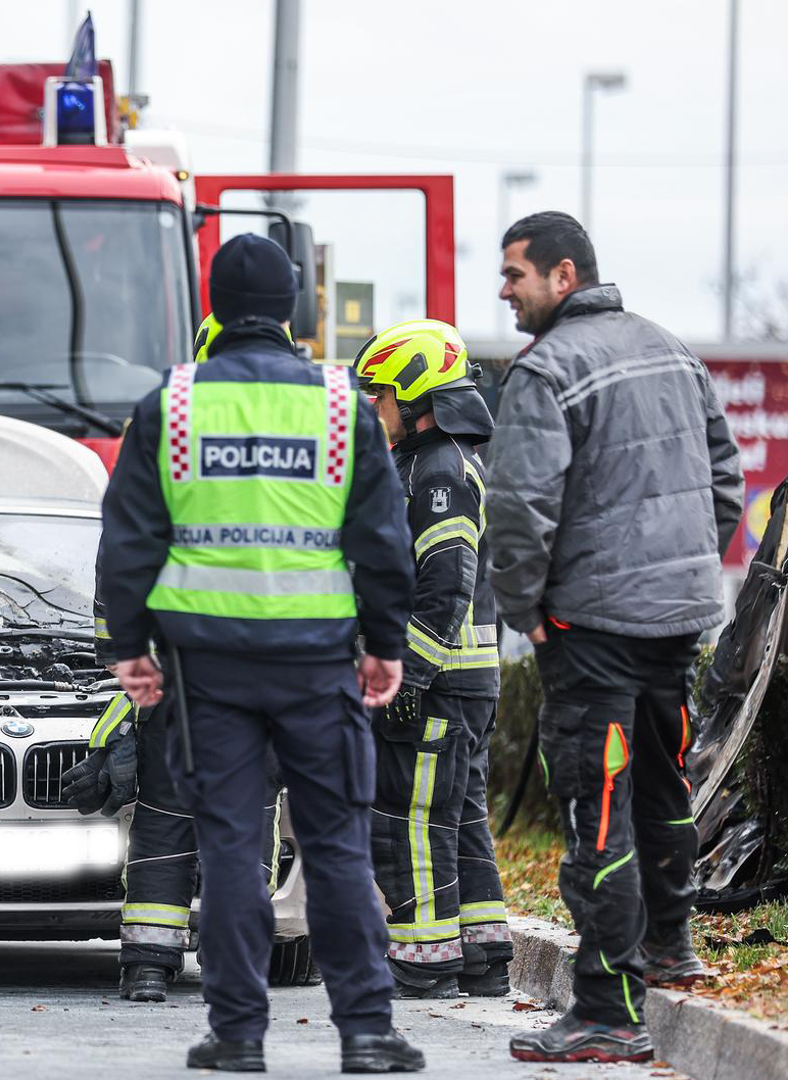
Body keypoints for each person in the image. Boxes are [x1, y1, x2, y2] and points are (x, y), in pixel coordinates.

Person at [100, 233, 424, 1073]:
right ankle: (366, 1034)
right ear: (294, 311)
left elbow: (129, 540)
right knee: (337, 850)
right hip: (317, 666)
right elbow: (384, 541)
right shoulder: (339, 405)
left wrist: (126, 648)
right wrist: (385, 645)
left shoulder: (170, 406)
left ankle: (238, 1034)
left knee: (232, 852)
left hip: (205, 671)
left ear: (211, 304)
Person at [486, 212, 743, 1063]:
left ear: (564, 276)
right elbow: (726, 483)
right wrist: (684, 568)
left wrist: (521, 604)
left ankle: (606, 1008)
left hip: (588, 624)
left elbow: (521, 507)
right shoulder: (671, 350)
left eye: (514, 274)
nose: (504, 290)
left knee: (595, 812)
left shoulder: (546, 369)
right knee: (665, 789)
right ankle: (671, 949)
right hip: (676, 620)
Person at [65, 314, 285, 1005]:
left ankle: (147, 965)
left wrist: (121, 652)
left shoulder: (159, 426)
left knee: (165, 808)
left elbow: (121, 553)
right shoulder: (296, 431)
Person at [352, 319, 511, 1000]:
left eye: (380, 396)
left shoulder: (438, 471)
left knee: (411, 819)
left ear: (417, 397)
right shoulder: (442, 460)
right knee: (461, 816)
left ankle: (424, 961)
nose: (373, 410)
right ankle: (483, 955)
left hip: (437, 682)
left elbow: (445, 585)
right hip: (463, 682)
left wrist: (406, 678)